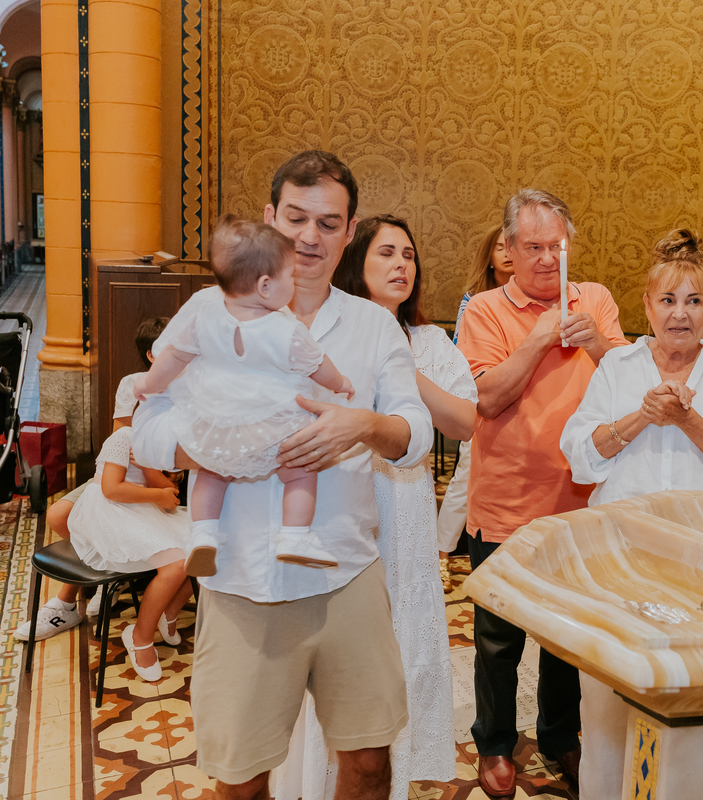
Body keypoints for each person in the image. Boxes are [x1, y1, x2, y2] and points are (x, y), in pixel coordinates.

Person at [133, 150, 432, 800]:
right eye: (296, 218)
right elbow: (145, 421)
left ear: (349, 231)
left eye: (329, 223)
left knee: (370, 762)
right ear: (272, 217)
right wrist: (214, 445)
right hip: (239, 581)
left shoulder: (374, 326)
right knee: (240, 779)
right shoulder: (206, 313)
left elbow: (415, 433)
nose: (309, 237)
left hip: (344, 574)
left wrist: (363, 426)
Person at [560, 229, 703, 800]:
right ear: (647, 307)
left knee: (692, 703)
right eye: (669, 301)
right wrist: (639, 417)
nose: (681, 314)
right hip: (619, 562)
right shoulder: (619, 368)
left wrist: (689, 422)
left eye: (694, 301)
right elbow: (579, 457)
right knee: (605, 705)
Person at [276, 215, 473, 796]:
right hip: (340, 501)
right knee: (333, 646)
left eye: (409, 255)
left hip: (406, 502)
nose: (401, 265)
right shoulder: (327, 333)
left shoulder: (428, 341)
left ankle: (386, 775)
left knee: (400, 638)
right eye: (387, 253)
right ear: (357, 262)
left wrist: (398, 360)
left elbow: (463, 422)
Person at [455, 188, 628, 797]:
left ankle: (560, 736)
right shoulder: (482, 312)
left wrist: (592, 341)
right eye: (534, 247)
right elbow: (487, 398)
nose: (549, 259)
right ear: (508, 249)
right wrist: (538, 338)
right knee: (498, 640)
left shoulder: (597, 300)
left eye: (558, 246)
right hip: (505, 502)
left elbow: (629, 383)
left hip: (581, 500)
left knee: (566, 638)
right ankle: (496, 744)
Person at [135, 217, 355, 576]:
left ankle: (203, 535)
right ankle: (295, 536)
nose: (294, 283)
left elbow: (172, 357)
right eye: (290, 276)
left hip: (214, 417)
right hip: (273, 424)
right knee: (299, 472)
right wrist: (341, 382)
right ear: (266, 286)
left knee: (211, 470)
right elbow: (319, 367)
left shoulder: (204, 313)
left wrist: (148, 384)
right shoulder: (286, 330)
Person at [14, 316, 170, 641]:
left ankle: (69, 599)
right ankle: (98, 584)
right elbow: (123, 440)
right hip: (125, 469)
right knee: (59, 515)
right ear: (152, 354)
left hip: (156, 477)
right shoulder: (133, 384)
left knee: (85, 519)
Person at [65, 425, 192, 681]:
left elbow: (170, 491)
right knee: (177, 564)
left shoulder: (169, 443)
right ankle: (140, 637)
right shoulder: (124, 437)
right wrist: (159, 494)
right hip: (112, 512)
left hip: (147, 509)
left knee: (207, 547)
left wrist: (147, 467)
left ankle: (169, 614)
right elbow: (111, 490)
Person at [435, 225, 514, 590]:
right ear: (490, 256)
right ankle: (440, 552)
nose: (509, 254)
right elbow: (462, 356)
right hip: (483, 400)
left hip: (524, 408)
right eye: (501, 247)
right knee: (466, 477)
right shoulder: (475, 301)